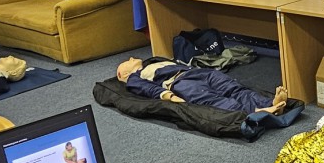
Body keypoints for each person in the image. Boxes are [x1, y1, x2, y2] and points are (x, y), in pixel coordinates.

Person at [117, 57, 288, 114]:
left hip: (198, 73)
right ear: (121, 74)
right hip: (179, 83)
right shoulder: (134, 78)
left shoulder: (154, 61)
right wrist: (170, 96)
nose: (131, 58)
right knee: (213, 100)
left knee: (233, 88)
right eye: (127, 61)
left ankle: (269, 104)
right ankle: (254, 112)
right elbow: (148, 89)